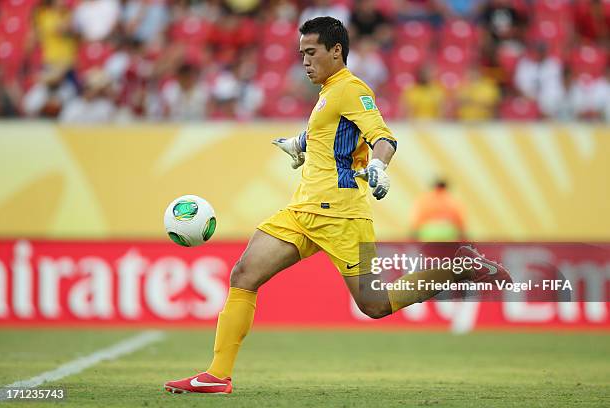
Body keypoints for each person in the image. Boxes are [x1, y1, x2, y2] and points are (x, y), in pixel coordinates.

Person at [164, 16, 512, 395]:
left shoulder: (352, 89)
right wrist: (299, 144)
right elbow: (330, 134)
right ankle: (218, 375)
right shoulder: (328, 93)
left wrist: (378, 165)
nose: (305, 62)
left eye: (311, 53)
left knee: (374, 305)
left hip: (341, 214)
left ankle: (459, 267)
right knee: (244, 275)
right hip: (302, 211)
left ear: (336, 50)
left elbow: (383, 137)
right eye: (301, 55)